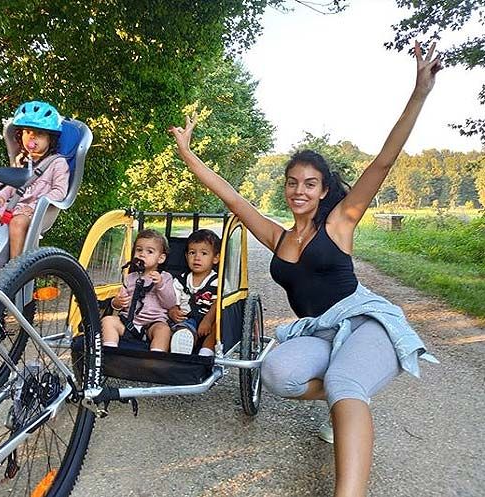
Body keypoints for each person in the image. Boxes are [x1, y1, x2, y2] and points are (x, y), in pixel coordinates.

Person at [169, 42, 441, 497]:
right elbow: (233, 198)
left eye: (309, 184)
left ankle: (349, 424)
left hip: (362, 320)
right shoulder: (277, 237)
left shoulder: (339, 223)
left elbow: (383, 162)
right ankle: (347, 397)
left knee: (344, 380)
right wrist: (187, 154)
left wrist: (419, 93)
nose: (299, 190)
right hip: (318, 329)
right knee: (276, 373)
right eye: (292, 182)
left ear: (323, 190)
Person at [0, 101, 70, 258]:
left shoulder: (58, 163)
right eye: (28, 132)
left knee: (18, 224)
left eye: (39, 134)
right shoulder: (22, 160)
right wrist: (0, 196)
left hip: (35, 212)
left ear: (50, 139)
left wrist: (35, 206)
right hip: (12, 205)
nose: (32, 137)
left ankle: (15, 269)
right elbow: (13, 184)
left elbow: (60, 192)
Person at [102, 229, 177, 352]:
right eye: (139, 250)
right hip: (129, 322)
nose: (142, 254)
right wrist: (117, 303)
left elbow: (170, 304)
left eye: (150, 251)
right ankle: (110, 352)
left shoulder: (165, 277)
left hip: (153, 323)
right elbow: (119, 304)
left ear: (161, 258)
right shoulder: (130, 277)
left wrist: (160, 285)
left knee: (164, 331)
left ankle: (156, 357)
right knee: (108, 321)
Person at [168, 229, 220, 356]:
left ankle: (205, 353)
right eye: (192, 253)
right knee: (182, 327)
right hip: (187, 320)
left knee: (218, 327)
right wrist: (173, 310)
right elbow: (172, 299)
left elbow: (219, 302)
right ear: (186, 256)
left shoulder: (217, 281)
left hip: (209, 320)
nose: (197, 257)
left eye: (204, 253)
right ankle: (183, 346)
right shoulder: (180, 280)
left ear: (215, 258)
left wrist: (207, 320)